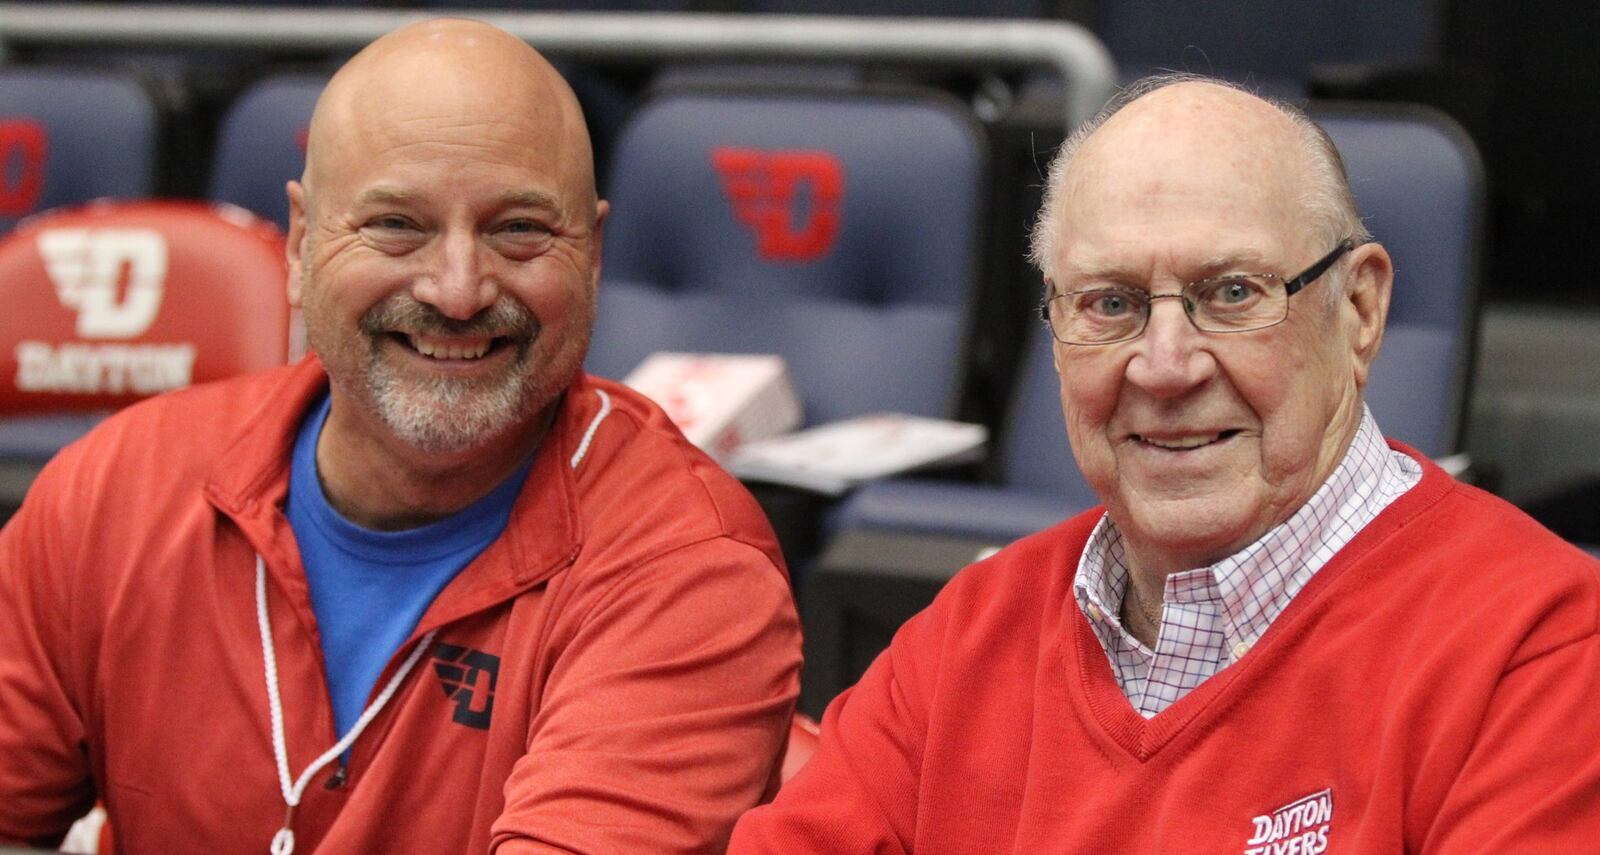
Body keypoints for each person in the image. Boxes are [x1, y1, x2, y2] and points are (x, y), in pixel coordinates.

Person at [731, 75, 1600, 852]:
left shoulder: (1541, 650)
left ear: (1361, 308)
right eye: (1110, 303)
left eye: (1231, 293)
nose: (1165, 364)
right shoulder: (968, 636)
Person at [0, 19, 801, 854]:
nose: (458, 289)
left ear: (594, 255)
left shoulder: (692, 573)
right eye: (395, 224)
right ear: (303, 243)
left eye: (519, 228)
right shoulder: (118, 484)